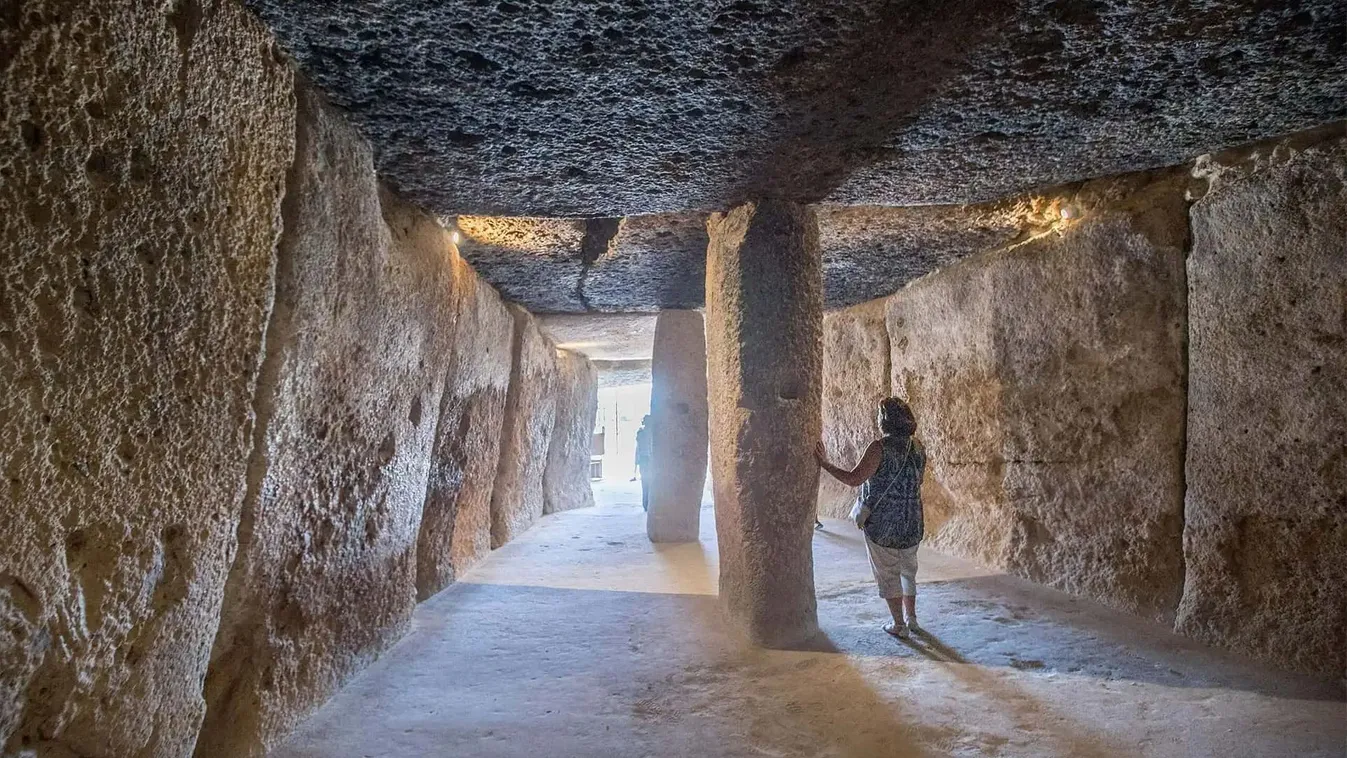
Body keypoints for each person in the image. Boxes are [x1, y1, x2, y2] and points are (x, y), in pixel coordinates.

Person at [815, 397, 926, 638]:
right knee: (908, 570)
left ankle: (899, 624)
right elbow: (919, 480)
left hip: (883, 523)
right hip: (912, 520)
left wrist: (824, 464)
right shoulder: (917, 447)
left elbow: (854, 478)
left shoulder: (879, 448)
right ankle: (912, 619)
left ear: (885, 420)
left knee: (888, 573)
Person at [634, 415, 652, 512]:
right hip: (648, 460)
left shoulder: (642, 433)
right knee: (648, 483)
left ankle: (646, 503)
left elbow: (638, 449)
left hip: (645, 460)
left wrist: (636, 461)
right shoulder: (646, 433)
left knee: (646, 483)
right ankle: (647, 503)